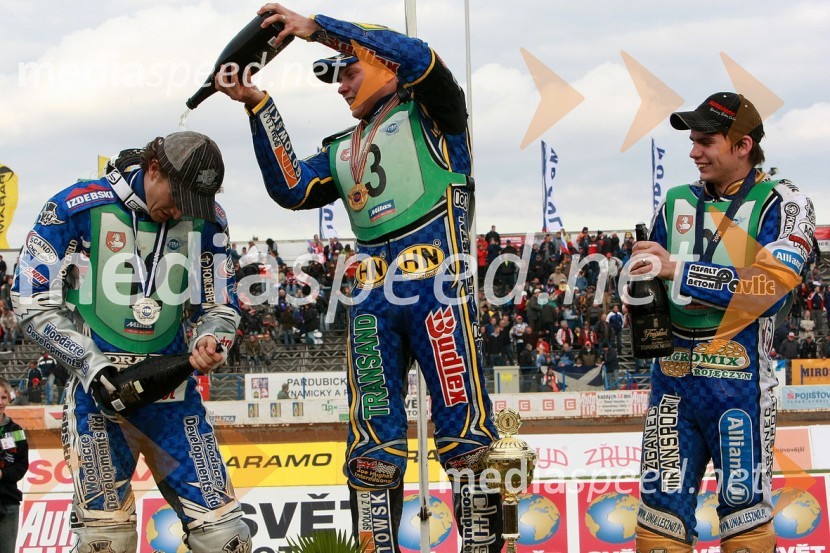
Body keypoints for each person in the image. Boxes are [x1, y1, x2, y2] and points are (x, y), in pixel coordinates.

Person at [219, 4, 503, 550]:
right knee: (372, 441)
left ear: (383, 67)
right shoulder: (340, 148)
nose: (340, 83)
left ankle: (485, 544)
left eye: (348, 70)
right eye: (335, 73)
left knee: (465, 432)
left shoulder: (435, 113)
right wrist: (259, 106)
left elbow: (421, 56)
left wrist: (318, 29)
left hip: (438, 287)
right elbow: (292, 189)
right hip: (371, 296)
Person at [11, 132, 251, 552]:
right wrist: (89, 364)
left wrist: (214, 337)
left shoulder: (208, 217)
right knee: (106, 540)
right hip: (97, 401)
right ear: (153, 168)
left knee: (225, 537)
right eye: (177, 199)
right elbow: (30, 301)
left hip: (174, 399)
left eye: (191, 205)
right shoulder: (73, 206)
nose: (180, 212)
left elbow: (221, 305)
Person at [630, 92, 813, 552]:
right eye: (692, 141)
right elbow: (651, 277)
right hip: (670, 384)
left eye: (705, 141)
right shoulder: (674, 202)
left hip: (740, 387)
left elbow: (771, 290)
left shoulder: (783, 202)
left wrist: (679, 269)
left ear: (742, 145)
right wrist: (637, 279)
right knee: (658, 523)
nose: (693, 152)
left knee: (745, 520)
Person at [0, 378, 28, 553]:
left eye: (3, 397)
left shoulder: (16, 431)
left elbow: (21, 465)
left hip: (9, 502)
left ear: (9, 399)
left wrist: (3, 475)